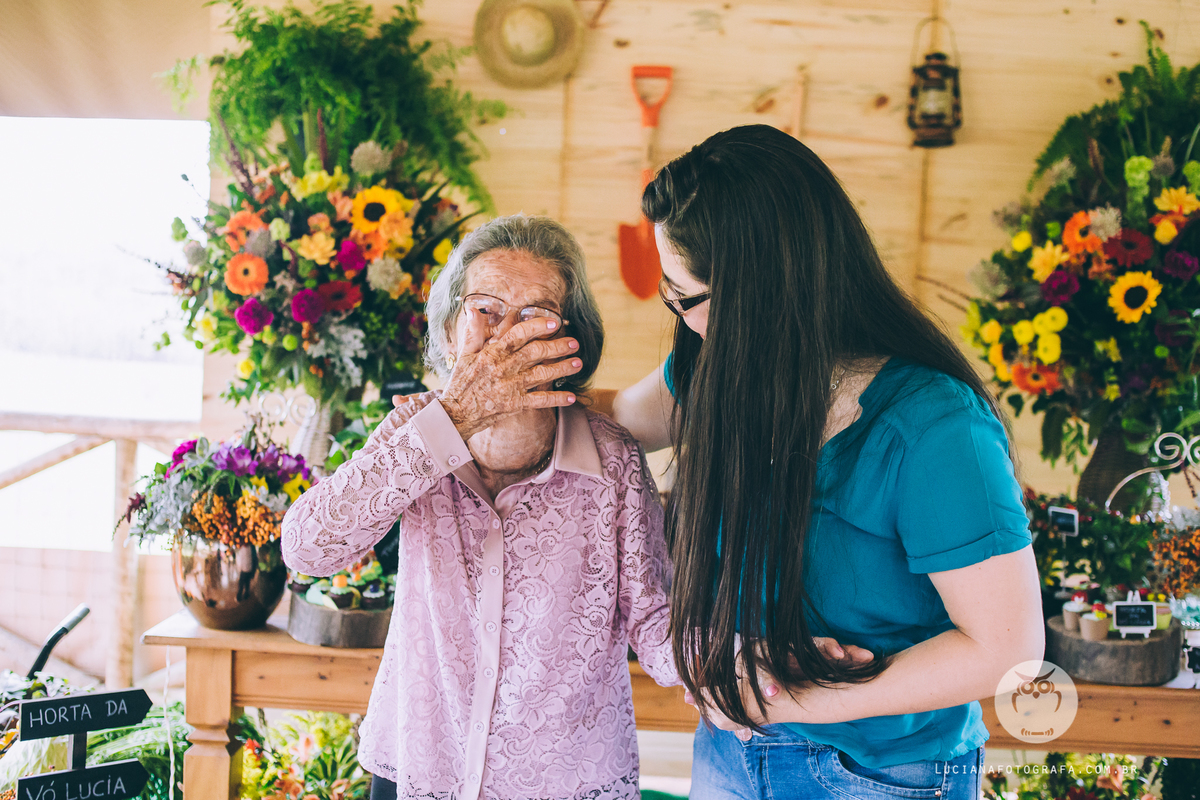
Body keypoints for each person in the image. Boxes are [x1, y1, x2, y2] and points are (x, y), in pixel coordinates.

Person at [599, 124, 1045, 799]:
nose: (680, 317)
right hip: (731, 752)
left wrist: (794, 696)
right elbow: (616, 420)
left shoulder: (934, 428)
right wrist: (483, 394)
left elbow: (1008, 649)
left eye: (684, 298)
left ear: (763, 293)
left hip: (881, 775)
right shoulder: (720, 374)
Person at [282, 215, 679, 800]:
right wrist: (458, 416)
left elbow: (654, 621)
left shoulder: (612, 460)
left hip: (564, 784)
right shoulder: (410, 431)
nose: (506, 338)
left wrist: (740, 671)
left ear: (571, 345)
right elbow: (308, 547)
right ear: (448, 332)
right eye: (486, 310)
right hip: (418, 769)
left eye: (535, 315)